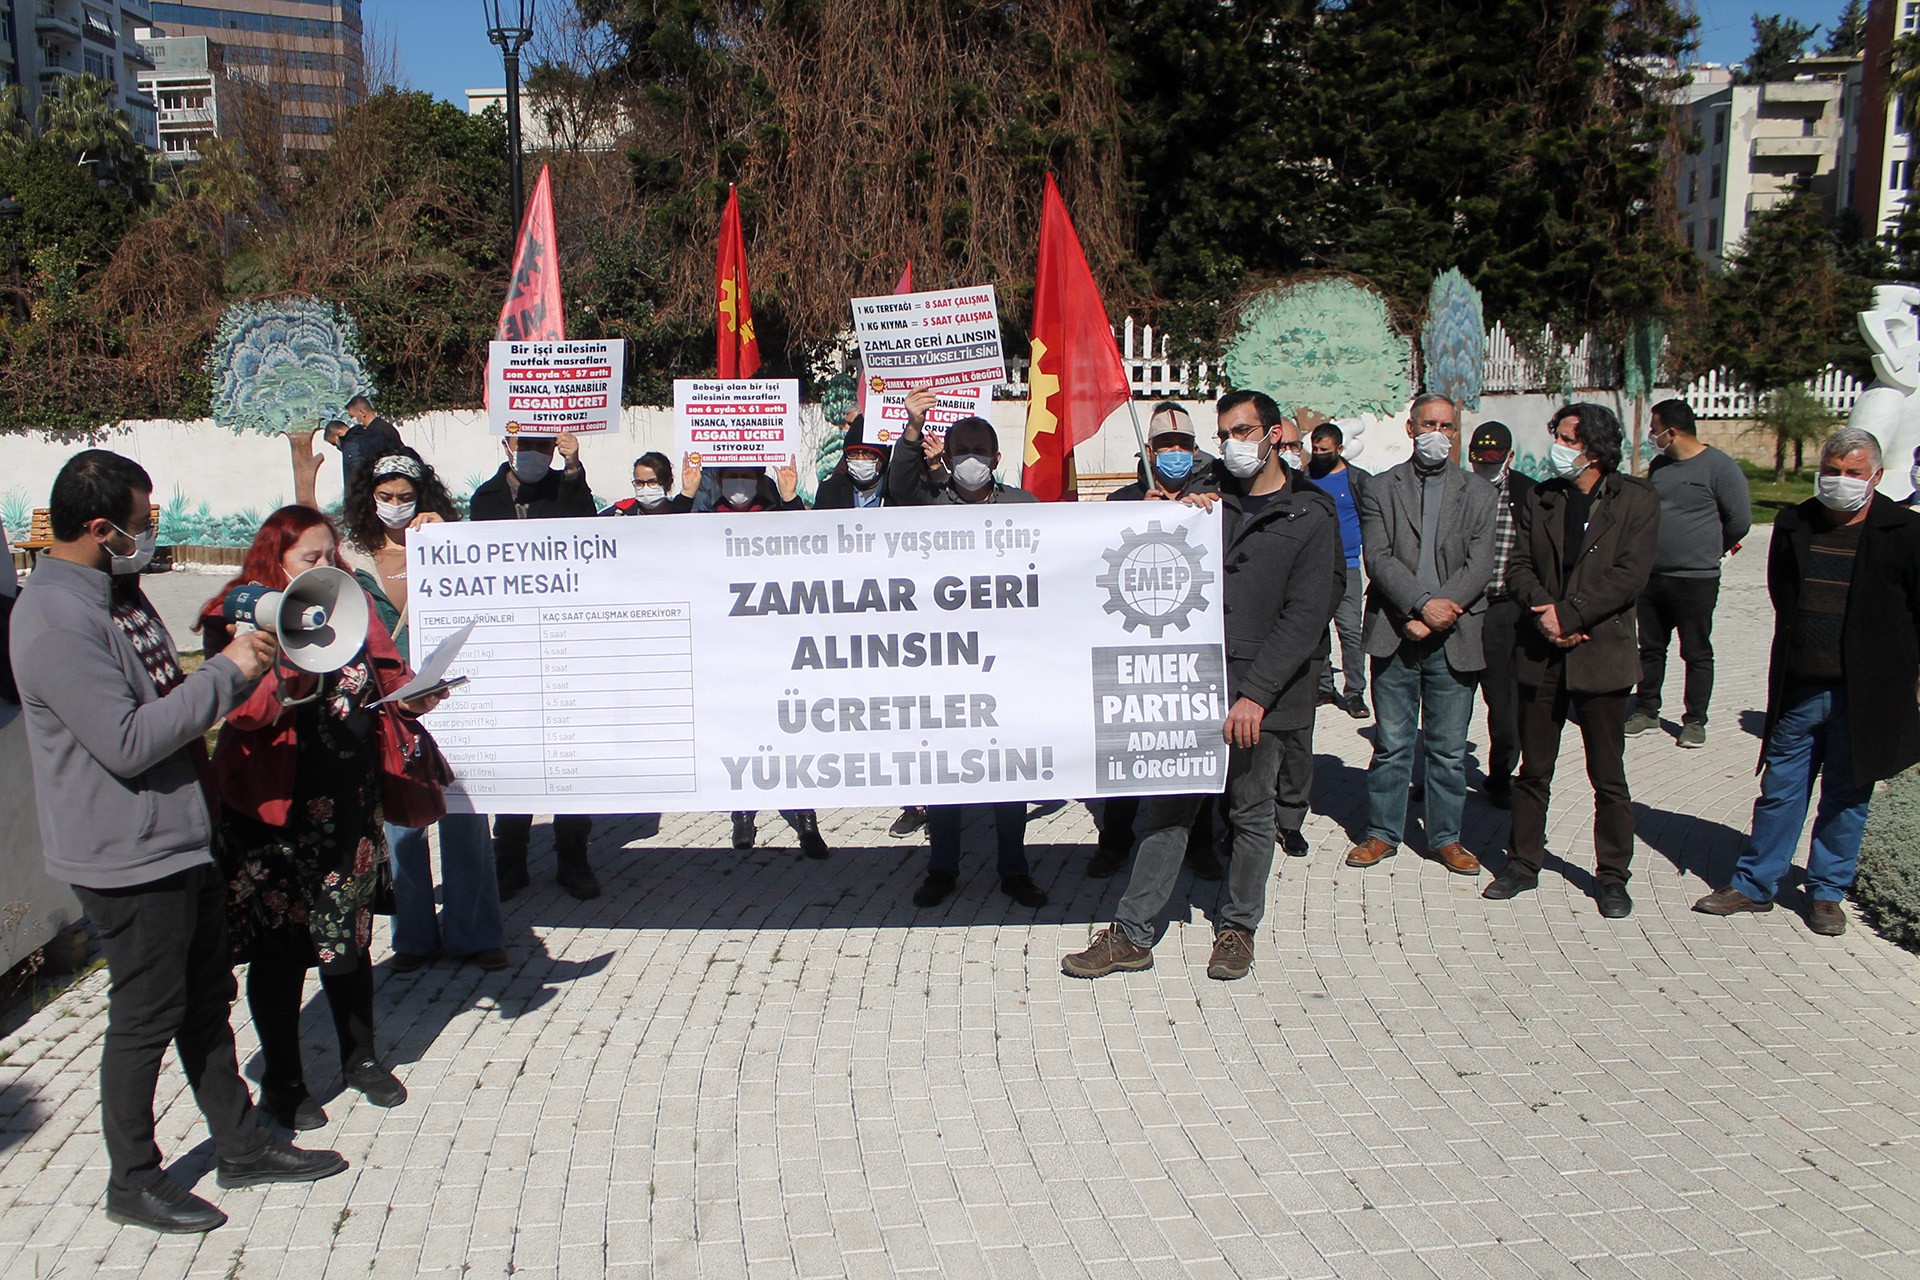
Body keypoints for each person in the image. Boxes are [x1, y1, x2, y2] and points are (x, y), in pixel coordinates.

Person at [11, 453, 345, 1234]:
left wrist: (239, 663)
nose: (150, 530)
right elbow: (127, 741)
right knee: (145, 1015)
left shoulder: (113, 594)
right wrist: (226, 674)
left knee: (204, 1000)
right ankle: (133, 1179)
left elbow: (163, 690)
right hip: (128, 856)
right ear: (100, 529)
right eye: (142, 518)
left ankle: (240, 1145)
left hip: (177, 838)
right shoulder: (57, 620)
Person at [1064, 388, 1339, 980]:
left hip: (1264, 699)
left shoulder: (1310, 515)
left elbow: (1306, 615)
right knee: (1166, 812)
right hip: (1197, 689)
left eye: (1243, 431)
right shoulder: (1207, 503)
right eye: (1224, 433)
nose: (1231, 443)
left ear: (1272, 435)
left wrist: (1256, 695)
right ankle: (1132, 934)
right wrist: (1171, 513)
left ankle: (1237, 928)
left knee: (1250, 813)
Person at [199, 507, 442, 1133]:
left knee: (348, 942)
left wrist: (415, 693)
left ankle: (360, 1058)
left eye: (332, 555)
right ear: (276, 559)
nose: (327, 567)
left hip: (347, 812)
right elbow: (244, 712)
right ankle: (283, 1082)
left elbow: (387, 672)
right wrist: (289, 666)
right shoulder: (237, 611)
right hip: (274, 819)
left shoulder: (349, 603)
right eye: (312, 558)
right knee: (279, 954)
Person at [1695, 428, 1920, 936]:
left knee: (1847, 795)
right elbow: (1784, 596)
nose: (1841, 482)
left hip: (1863, 694)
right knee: (1780, 791)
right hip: (1800, 688)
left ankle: (1826, 892)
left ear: (1876, 477)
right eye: (1833, 471)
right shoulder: (1796, 522)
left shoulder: (1904, 533)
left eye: (1854, 473)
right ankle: (1755, 884)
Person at [1483, 404, 1660, 917]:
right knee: (1533, 769)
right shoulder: (1542, 497)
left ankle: (1612, 876)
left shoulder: (1636, 500)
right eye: (1557, 436)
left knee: (1607, 773)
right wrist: (1546, 615)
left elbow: (1630, 574)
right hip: (1542, 649)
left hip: (1600, 650)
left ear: (1594, 447)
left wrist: (1573, 613)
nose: (1558, 446)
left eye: (1566, 438)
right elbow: (1515, 563)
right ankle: (1522, 863)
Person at [340, 452, 508, 974]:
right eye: (385, 497)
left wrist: (449, 537)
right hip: (387, 704)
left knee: (466, 816)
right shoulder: (349, 557)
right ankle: (412, 938)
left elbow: (490, 578)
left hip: (447, 695)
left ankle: (477, 932)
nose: (395, 506)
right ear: (369, 499)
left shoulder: (445, 541)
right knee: (401, 823)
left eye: (405, 497)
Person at [890, 389, 1047, 909]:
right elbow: (899, 486)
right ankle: (941, 867)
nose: (971, 460)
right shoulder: (930, 504)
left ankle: (1013, 869)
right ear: (948, 456)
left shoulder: (1025, 507)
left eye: (980, 451)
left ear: (997, 459)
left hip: (1009, 667)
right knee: (943, 773)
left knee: (1009, 774)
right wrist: (913, 430)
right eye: (961, 450)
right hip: (944, 665)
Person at [1345, 394, 1498, 878]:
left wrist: (1436, 613)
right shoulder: (1380, 488)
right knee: (1392, 744)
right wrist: (1417, 605)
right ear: (1411, 429)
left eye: (1447, 426)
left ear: (1457, 432)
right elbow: (1380, 557)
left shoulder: (1479, 493)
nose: (1439, 433)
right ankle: (1383, 833)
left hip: (1454, 633)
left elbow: (1481, 564)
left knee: (1449, 749)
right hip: (1396, 630)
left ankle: (1446, 837)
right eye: (1429, 424)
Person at [1090, 403, 1222, 881]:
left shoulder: (1212, 500)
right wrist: (1133, 517)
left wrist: (1202, 515)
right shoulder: (1122, 500)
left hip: (1191, 649)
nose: (1174, 453)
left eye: (1183, 445)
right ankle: (1115, 840)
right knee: (1126, 749)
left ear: (1195, 450)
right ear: (1149, 451)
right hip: (1133, 646)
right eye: (1166, 446)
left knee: (1193, 747)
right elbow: (1097, 559)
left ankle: (1199, 842)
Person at [469, 430, 603, 898]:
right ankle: (510, 861)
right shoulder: (484, 498)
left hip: (563, 636)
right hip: (511, 644)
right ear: (509, 444)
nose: (535, 454)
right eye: (528, 444)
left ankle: (573, 858)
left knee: (569, 754)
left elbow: (586, 527)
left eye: (544, 447)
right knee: (516, 754)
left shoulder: (563, 487)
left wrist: (572, 468)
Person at [687, 452, 832, 857]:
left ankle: (806, 820)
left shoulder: (777, 513)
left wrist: (789, 500)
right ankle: (744, 814)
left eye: (745, 476)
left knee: (794, 731)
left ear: (758, 479)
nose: (738, 483)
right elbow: (674, 550)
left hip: (781, 642)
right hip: (730, 646)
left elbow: (809, 547)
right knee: (743, 729)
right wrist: (686, 493)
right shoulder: (703, 520)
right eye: (730, 475)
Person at [1625, 398, 1751, 750]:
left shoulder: (1720, 467)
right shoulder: (1660, 465)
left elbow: (1739, 520)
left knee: (1695, 651)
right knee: (1650, 647)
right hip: (1653, 576)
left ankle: (1695, 720)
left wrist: (1710, 549)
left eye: (1655, 430)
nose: (1652, 436)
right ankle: (1646, 709)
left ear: (1673, 431)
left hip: (1696, 578)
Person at [1466, 422, 1535, 809]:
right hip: (1460, 606)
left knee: (1503, 701)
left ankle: (1500, 774)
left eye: (1493, 461)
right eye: (1480, 460)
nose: (1485, 467)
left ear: (1509, 457)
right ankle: (1439, 775)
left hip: (1504, 610)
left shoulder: (1528, 493)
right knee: (1451, 697)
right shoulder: (1459, 487)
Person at [1308, 421, 1372, 719]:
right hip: (1315, 566)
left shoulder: (1357, 480)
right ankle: (1324, 687)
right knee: (1318, 629)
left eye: (1325, 450)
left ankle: (1356, 691)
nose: (1318, 454)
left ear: (1340, 449)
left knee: (1350, 630)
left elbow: (1370, 521)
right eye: (1315, 449)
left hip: (1348, 566)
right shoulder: (1305, 477)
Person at [321, 394, 403, 491]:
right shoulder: (381, 428)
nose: (351, 420)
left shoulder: (377, 432)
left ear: (362, 412)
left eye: (352, 416)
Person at [813, 416, 893, 510]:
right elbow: (811, 523)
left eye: (868, 453)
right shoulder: (829, 491)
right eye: (853, 453)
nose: (860, 458)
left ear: (882, 459)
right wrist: (792, 499)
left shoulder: (895, 492)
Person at [601, 451, 694, 516]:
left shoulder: (681, 512)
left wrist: (688, 491)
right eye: (639, 483)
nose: (645, 488)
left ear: (668, 483)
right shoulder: (620, 512)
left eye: (652, 482)